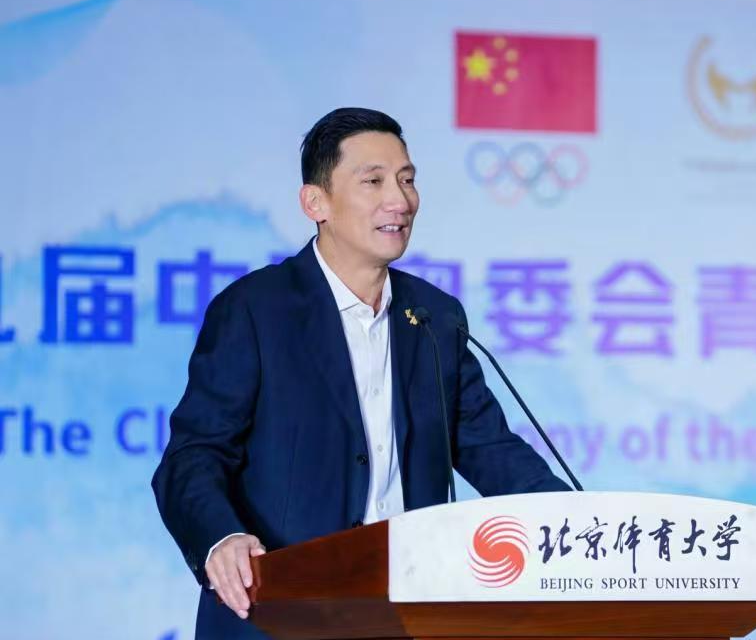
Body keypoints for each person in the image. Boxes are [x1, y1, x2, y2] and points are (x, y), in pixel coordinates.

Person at [152, 107, 570, 639]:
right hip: (279, 612)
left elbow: (490, 449)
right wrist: (221, 538)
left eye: (407, 180)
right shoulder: (256, 310)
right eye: (373, 181)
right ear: (316, 203)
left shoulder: (434, 317)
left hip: (401, 614)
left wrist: (580, 526)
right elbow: (193, 455)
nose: (400, 200)